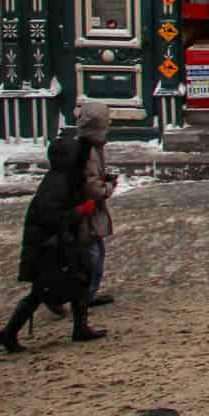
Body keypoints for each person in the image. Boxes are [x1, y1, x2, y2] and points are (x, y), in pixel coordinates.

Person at [0, 135, 102, 352]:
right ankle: (9, 332)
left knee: (79, 279)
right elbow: (49, 216)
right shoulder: (57, 183)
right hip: (47, 246)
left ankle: (80, 327)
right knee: (41, 291)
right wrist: (79, 212)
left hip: (57, 244)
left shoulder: (62, 178)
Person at [73, 100, 117, 309]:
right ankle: (80, 298)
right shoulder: (88, 151)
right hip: (86, 212)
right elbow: (92, 188)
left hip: (88, 212)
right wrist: (108, 187)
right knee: (91, 258)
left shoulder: (92, 146)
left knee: (95, 254)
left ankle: (87, 295)